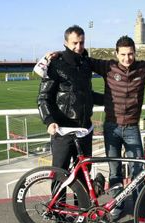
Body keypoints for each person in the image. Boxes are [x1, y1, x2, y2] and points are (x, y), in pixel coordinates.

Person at [38, 36, 145, 221]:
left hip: (132, 129)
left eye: (130, 54)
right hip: (111, 128)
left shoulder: (143, 67)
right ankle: (117, 205)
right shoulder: (107, 66)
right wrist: (57, 55)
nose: (127, 58)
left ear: (135, 54)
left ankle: (139, 208)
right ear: (116, 54)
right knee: (115, 171)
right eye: (123, 54)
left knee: (138, 170)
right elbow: (80, 57)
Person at [37, 25, 103, 177]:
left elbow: (87, 95)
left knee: (84, 178)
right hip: (63, 132)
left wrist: (111, 99)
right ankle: (58, 203)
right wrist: (48, 120)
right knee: (60, 177)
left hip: (85, 130)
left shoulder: (85, 64)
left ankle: (83, 203)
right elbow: (43, 97)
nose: (78, 47)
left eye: (81, 43)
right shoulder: (55, 64)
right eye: (74, 43)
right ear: (66, 43)